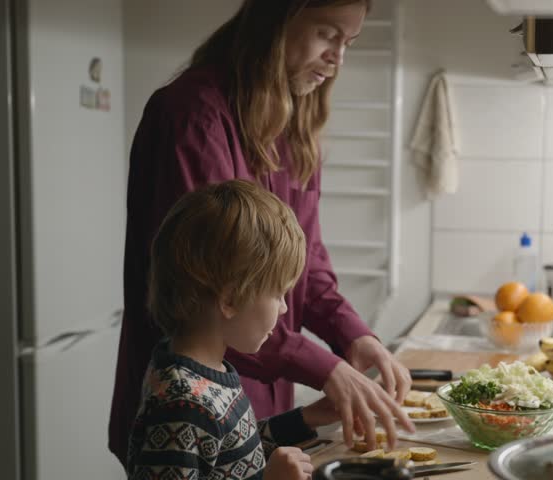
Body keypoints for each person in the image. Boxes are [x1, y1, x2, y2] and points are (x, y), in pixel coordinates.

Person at [109, 0, 414, 463]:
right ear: (277, 20)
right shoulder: (192, 117)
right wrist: (326, 368)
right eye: (327, 34)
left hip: (257, 414)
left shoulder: (293, 128)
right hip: (190, 419)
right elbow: (213, 293)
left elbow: (304, 262)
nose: (338, 59)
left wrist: (354, 337)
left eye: (348, 42)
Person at [128, 180, 336, 479]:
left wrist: (306, 419)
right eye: (278, 294)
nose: (284, 308)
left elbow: (233, 452)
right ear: (230, 300)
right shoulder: (182, 403)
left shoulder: (206, 373)